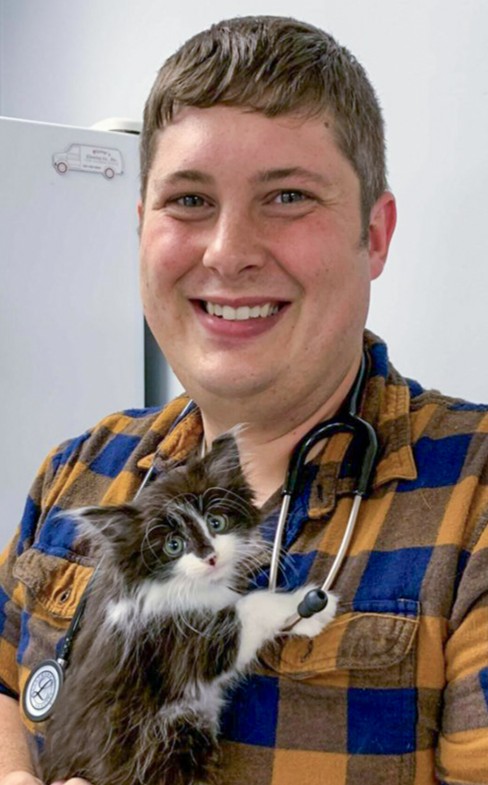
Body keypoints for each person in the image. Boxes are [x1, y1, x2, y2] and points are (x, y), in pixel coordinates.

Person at [1, 15, 487, 785]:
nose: (227, 251)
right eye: (189, 199)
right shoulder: (79, 469)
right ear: (139, 231)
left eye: (288, 195)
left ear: (377, 233)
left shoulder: (472, 501)